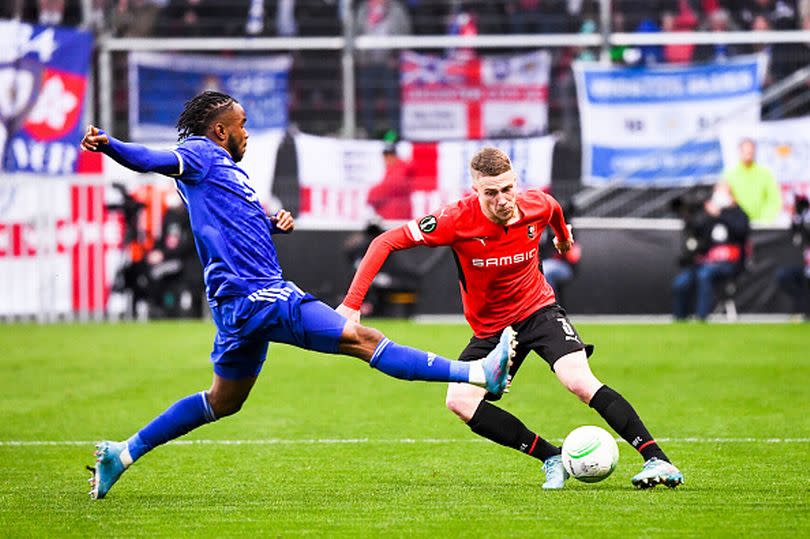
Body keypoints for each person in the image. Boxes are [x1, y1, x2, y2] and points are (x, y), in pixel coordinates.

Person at [80, 90, 515, 500]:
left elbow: (225, 219)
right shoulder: (201, 153)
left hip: (237, 305)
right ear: (219, 131)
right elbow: (150, 158)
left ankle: (121, 454)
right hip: (260, 296)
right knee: (361, 340)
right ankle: (478, 373)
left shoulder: (220, 170)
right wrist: (110, 144)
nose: (245, 132)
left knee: (223, 400)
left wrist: (268, 222)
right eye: (241, 124)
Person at [337, 147, 684, 490]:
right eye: (491, 193)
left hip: (539, 311)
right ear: (476, 190)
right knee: (459, 402)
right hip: (492, 330)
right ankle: (551, 457)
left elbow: (554, 210)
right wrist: (352, 304)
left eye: (507, 189)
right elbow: (384, 242)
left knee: (578, 380)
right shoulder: (455, 219)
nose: (503, 199)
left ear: (515, 182)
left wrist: (563, 239)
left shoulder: (535, 204)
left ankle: (657, 459)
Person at [672, 183, 751, 321]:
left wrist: (720, 215)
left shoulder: (739, 214)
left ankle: (701, 317)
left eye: (722, 193)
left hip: (730, 263)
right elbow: (697, 232)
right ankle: (680, 319)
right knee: (681, 282)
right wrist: (690, 215)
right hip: (707, 261)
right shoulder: (708, 216)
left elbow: (741, 232)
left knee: (705, 274)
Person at [724, 138, 782, 224]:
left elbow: (774, 199)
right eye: (745, 152)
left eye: (750, 152)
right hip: (737, 225)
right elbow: (724, 198)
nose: (748, 155)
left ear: (755, 152)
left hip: (761, 225)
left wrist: (765, 219)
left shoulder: (765, 174)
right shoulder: (729, 175)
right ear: (739, 152)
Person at [775, 193, 810, 319]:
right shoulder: (798, 222)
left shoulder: (805, 220)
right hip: (802, 264)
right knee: (784, 276)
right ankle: (803, 308)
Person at [366, 143, 414, 221]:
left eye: (390, 155)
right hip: (391, 215)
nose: (387, 158)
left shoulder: (401, 169)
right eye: (385, 156)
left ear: (394, 156)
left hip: (396, 216)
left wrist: (371, 194)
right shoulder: (393, 170)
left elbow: (389, 187)